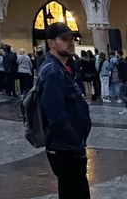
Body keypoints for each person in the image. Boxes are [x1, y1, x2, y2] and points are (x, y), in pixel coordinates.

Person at [38, 22, 91, 199]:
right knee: (75, 192)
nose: (70, 42)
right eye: (64, 39)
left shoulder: (63, 68)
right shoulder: (53, 71)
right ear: (51, 42)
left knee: (74, 191)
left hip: (69, 145)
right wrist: (75, 140)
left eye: (72, 38)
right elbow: (55, 114)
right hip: (65, 147)